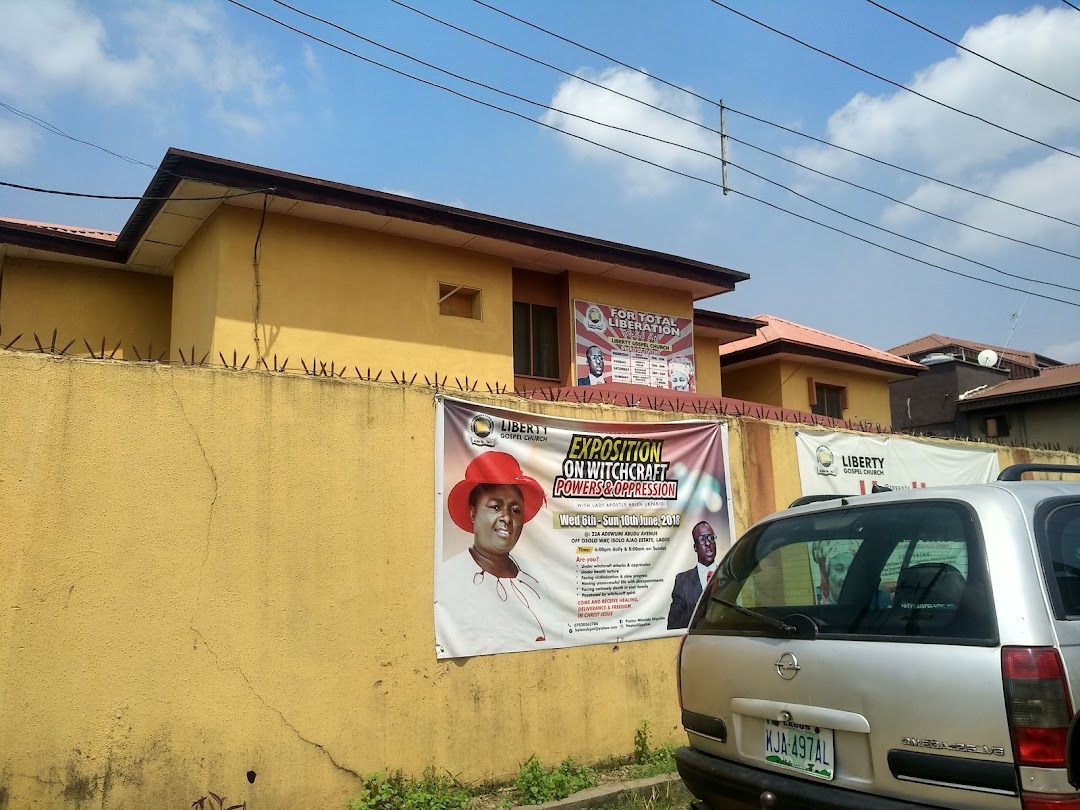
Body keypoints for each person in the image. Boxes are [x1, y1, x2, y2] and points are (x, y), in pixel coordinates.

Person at [435, 451, 554, 657]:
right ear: (473, 514)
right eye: (495, 507)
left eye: (515, 510)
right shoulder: (449, 577)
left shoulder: (537, 578)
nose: (506, 518)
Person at [667, 521, 719, 629]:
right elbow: (673, 624)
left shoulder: (728, 575)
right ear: (695, 547)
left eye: (711, 538)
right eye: (702, 539)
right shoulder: (682, 581)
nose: (708, 543)